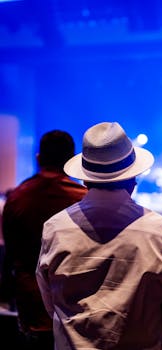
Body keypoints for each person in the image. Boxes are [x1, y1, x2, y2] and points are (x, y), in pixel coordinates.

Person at [36, 121, 162, 350]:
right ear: (133, 180)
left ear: (86, 179)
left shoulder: (54, 228)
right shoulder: (161, 231)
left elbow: (50, 302)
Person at [1, 130, 88, 350]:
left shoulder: (17, 197)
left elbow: (10, 255)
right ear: (71, 160)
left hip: (31, 305)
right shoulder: (84, 199)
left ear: (39, 158)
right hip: (76, 306)